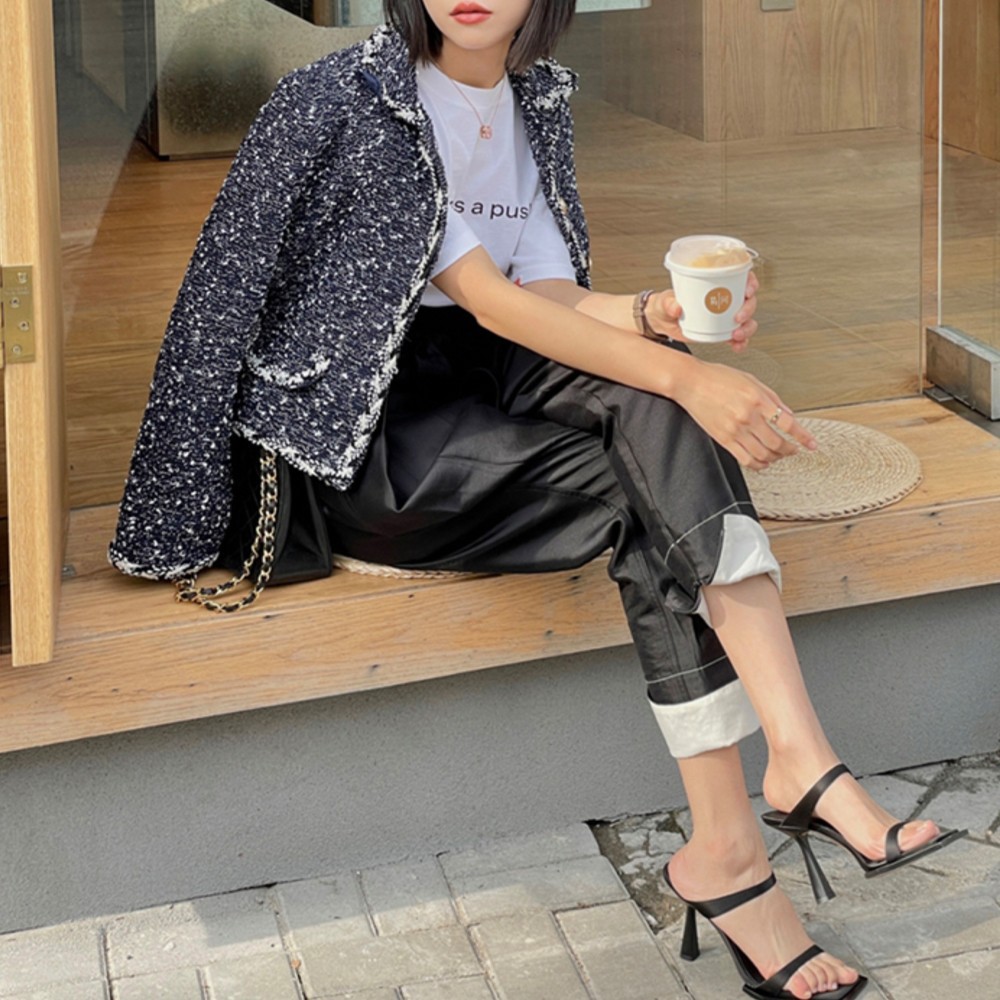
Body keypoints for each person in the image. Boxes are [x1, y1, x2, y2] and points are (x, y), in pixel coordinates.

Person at [109, 2, 964, 997]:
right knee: (662, 434)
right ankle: (771, 811)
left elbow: (549, 293)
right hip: (374, 439)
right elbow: (489, 298)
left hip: (487, 380)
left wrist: (651, 315)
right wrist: (689, 376)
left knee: (659, 432)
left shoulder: (534, 99)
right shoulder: (362, 98)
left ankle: (766, 800)